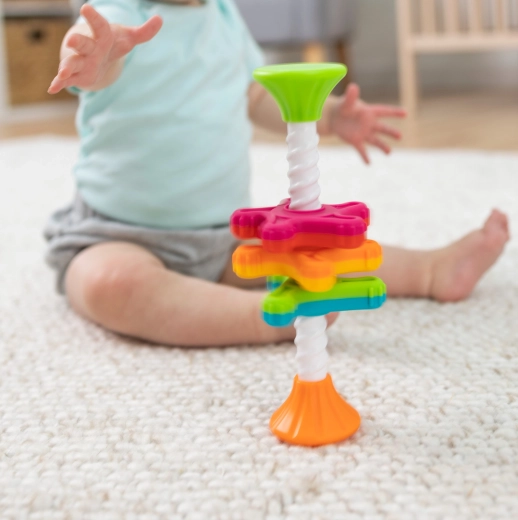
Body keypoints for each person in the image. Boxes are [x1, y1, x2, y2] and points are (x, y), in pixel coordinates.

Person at [45, 0, 509, 347]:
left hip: (221, 238)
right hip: (115, 235)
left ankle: (430, 271)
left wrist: (329, 117)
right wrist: (90, 57)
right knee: (112, 285)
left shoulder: (223, 15)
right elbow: (98, 51)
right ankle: (266, 318)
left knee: (313, 248)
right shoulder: (120, 13)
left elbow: (255, 95)